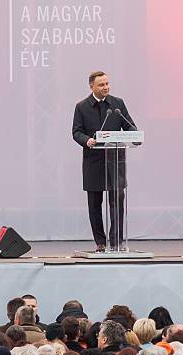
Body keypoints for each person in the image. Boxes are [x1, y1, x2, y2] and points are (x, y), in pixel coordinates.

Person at [72, 71, 136, 252]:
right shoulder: (81, 107)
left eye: (107, 84)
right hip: (94, 162)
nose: (106, 87)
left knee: (117, 202)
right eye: (101, 85)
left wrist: (135, 133)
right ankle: (100, 242)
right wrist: (87, 140)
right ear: (92, 86)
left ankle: (116, 241)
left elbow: (129, 125)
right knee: (94, 204)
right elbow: (76, 132)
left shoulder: (118, 104)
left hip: (115, 162)